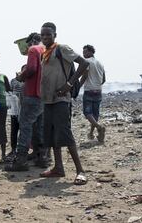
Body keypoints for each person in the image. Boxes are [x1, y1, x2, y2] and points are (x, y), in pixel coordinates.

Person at [39, 22, 89, 185]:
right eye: (43, 34)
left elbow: (84, 63)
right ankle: (58, 168)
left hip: (61, 99)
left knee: (65, 134)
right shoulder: (44, 53)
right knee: (52, 135)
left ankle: (80, 171)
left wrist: (69, 83)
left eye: (48, 34)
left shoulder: (62, 48)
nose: (45, 37)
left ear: (55, 35)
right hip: (48, 100)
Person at [5, 32, 48, 171]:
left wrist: (20, 77)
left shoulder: (34, 49)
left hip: (32, 94)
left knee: (25, 126)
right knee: (39, 127)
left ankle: (21, 160)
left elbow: (31, 69)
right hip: (44, 95)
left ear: (33, 41)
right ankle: (41, 157)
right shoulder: (47, 50)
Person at [79, 45, 106, 142]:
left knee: (87, 113)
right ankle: (91, 133)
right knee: (95, 114)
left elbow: (84, 76)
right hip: (98, 91)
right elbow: (103, 79)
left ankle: (99, 128)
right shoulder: (100, 63)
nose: (83, 54)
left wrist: (78, 86)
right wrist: (97, 85)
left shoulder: (87, 62)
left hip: (89, 91)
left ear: (91, 52)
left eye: (85, 52)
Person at [5, 65, 26, 161]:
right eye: (23, 70)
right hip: (15, 110)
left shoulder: (29, 80)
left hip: (25, 110)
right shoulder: (14, 80)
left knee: (24, 131)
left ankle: (23, 150)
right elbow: (9, 91)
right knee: (14, 130)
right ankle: (13, 149)